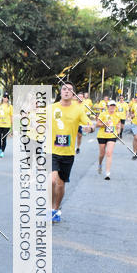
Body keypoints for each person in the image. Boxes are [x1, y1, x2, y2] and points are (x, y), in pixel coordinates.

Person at [51, 81, 94, 222]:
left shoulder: (78, 109)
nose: (67, 91)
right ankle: (50, 208)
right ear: (60, 92)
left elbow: (89, 123)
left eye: (70, 89)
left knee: (60, 184)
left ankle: (56, 209)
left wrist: (90, 128)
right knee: (52, 180)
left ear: (73, 94)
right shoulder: (51, 108)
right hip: (51, 150)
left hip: (68, 153)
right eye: (64, 89)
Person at [95, 98, 120, 179]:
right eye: (111, 106)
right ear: (108, 106)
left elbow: (118, 126)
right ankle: (100, 164)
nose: (112, 107)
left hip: (112, 136)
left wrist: (118, 132)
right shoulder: (103, 114)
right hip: (102, 136)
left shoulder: (117, 115)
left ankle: (107, 173)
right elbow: (97, 124)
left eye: (114, 106)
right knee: (102, 154)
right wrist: (104, 124)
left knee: (109, 153)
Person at [0, 92, 12, 156]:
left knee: (4, 138)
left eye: (7, 97)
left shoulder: (10, 106)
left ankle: (2, 151)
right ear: (2, 97)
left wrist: (13, 125)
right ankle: (0, 147)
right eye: (4, 97)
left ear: (8, 99)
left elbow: (11, 116)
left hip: (7, 125)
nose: (6, 98)